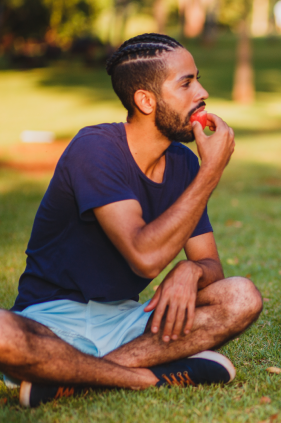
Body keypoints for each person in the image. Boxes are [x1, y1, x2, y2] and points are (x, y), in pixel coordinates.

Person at [0, 33, 263, 407]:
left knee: (241, 297)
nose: (202, 92)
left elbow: (212, 268)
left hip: (126, 323)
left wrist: (190, 272)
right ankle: (143, 379)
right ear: (145, 100)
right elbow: (144, 256)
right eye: (186, 83)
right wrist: (212, 172)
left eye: (197, 79)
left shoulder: (183, 164)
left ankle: (71, 377)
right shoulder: (95, 149)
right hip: (49, 323)